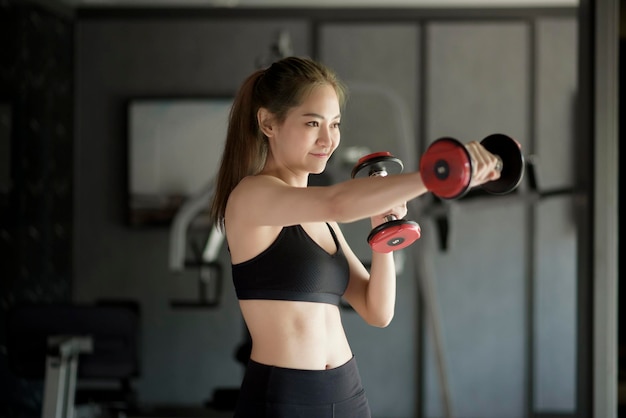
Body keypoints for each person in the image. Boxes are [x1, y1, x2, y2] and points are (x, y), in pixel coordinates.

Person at [209, 56, 501, 418]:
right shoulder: (252, 197)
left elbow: (377, 311)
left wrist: (384, 234)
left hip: (347, 392)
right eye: (312, 123)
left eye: (335, 124)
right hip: (284, 398)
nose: (328, 139)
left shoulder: (323, 222)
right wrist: (436, 175)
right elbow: (338, 202)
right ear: (268, 122)